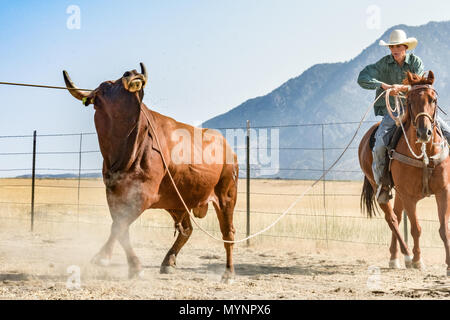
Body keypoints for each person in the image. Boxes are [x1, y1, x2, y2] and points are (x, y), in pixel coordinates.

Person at [358, 29, 450, 204]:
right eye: (392, 46)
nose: (395, 49)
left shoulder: (415, 62)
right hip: (393, 111)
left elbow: (421, 84)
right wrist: (383, 85)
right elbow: (363, 78)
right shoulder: (382, 64)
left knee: (448, 133)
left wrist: (401, 88)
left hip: (418, 109)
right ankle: (383, 185)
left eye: (398, 46)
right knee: (379, 145)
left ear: (405, 47)